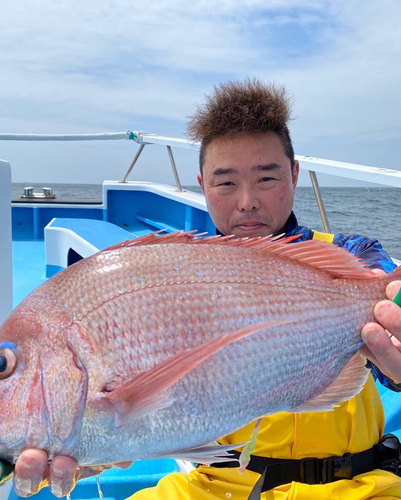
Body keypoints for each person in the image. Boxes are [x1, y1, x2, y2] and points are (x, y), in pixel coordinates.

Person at [13, 79, 401, 499]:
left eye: (267, 179)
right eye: (226, 182)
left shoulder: (353, 259)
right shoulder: (169, 268)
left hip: (355, 485)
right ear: (202, 184)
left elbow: (389, 323)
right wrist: (100, 447)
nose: (248, 201)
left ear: (293, 175)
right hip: (218, 485)